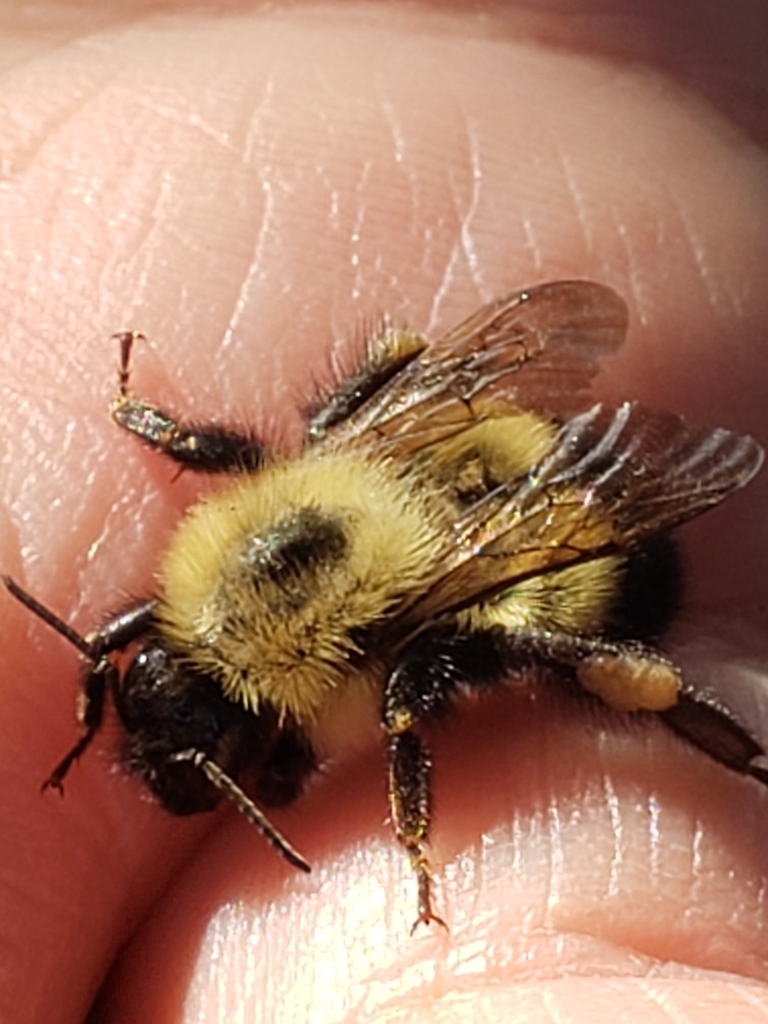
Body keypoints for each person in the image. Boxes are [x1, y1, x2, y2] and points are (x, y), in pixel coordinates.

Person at [1, 2, 767, 1020]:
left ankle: (743, 756)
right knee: (328, 432)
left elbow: (396, 697)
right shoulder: (237, 563)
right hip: (461, 469)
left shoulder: (340, 653)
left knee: (485, 662)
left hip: (562, 549)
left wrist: (417, 851)